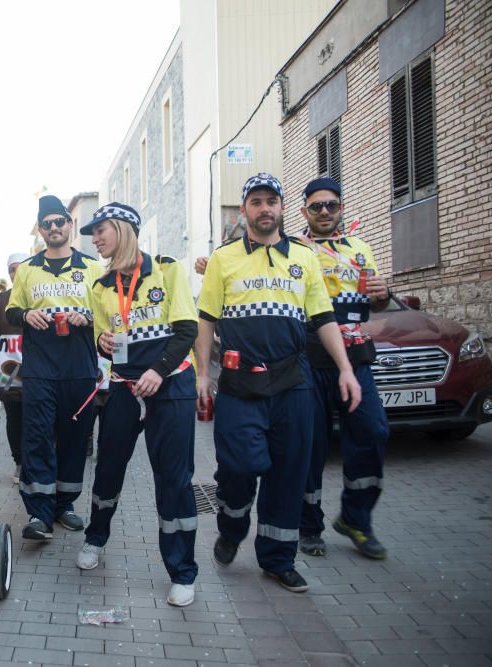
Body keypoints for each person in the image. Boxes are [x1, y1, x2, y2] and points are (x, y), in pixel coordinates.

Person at [195, 173, 361, 593]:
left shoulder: (303, 258)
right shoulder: (223, 258)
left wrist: (345, 368)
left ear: (283, 207)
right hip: (238, 383)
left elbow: (323, 318)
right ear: (244, 209)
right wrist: (200, 374)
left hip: (293, 382)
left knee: (288, 473)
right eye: (256, 201)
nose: (265, 208)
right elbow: (207, 320)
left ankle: (277, 558)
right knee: (239, 466)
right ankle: (232, 526)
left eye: (272, 201)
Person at [74, 203, 200, 607]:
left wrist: (160, 372)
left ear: (124, 229)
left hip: (170, 385)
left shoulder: (168, 270)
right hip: (125, 387)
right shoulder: (100, 285)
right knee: (109, 466)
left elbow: (186, 330)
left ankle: (182, 572)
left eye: (100, 231)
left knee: (174, 478)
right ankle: (95, 538)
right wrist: (102, 343)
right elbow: (101, 336)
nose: (94, 239)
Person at [296, 177, 391, 559]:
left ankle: (357, 519)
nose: (324, 212)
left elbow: (374, 303)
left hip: (355, 357)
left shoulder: (360, 249)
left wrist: (383, 296)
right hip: (309, 356)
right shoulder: (293, 249)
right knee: (311, 445)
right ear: (304, 211)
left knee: (373, 431)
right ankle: (308, 526)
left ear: (341, 208)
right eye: (316, 206)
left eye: (331, 205)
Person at [6, 195, 103, 540]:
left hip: (79, 367)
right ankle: (39, 514)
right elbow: (11, 310)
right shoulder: (28, 269)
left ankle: (65, 505)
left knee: (75, 437)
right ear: (40, 229)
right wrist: (25, 315)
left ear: (69, 225)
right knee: (37, 437)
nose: (53, 228)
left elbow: (109, 315)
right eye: (46, 224)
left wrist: (88, 317)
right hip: (40, 368)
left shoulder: (93, 268)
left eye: (58, 222)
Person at [0, 252, 30, 484]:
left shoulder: (38, 295)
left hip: (36, 369)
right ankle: (19, 462)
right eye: (12, 269)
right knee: (14, 417)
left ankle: (36, 462)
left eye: (21, 267)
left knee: (38, 416)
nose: (17, 272)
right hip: (9, 372)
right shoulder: (1, 299)